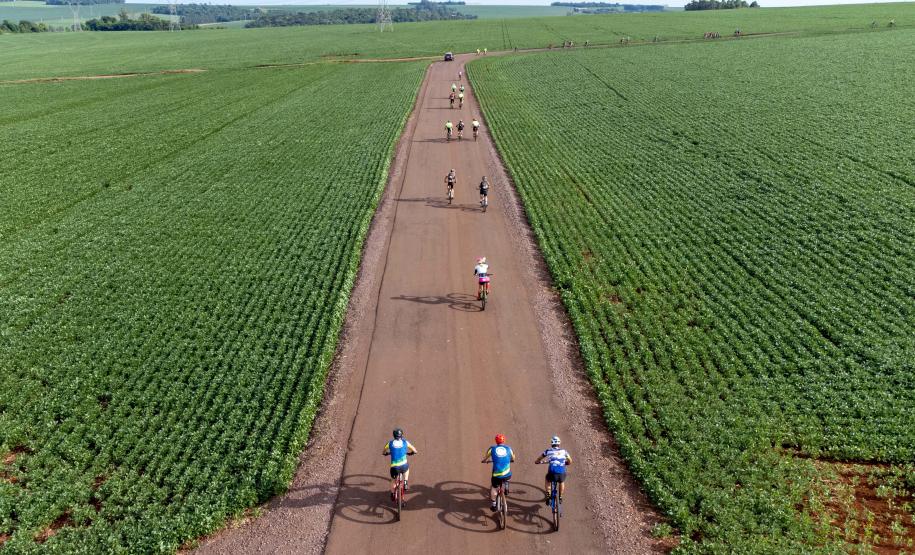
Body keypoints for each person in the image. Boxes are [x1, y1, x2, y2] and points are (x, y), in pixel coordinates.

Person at [535, 436, 572, 505]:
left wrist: (537, 461)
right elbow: (570, 460)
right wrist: (567, 463)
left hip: (552, 472)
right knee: (561, 481)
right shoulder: (564, 451)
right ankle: (560, 497)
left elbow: (540, 458)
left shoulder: (548, 451)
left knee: (547, 480)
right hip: (561, 473)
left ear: (551, 443)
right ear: (559, 443)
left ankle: (548, 497)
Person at [383, 428, 418, 501]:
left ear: (394, 435)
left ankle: (392, 494)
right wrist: (412, 453)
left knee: (393, 480)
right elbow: (415, 450)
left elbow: (384, 451)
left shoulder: (389, 443)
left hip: (394, 468)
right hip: (403, 466)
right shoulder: (405, 442)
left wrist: (386, 453)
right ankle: (405, 482)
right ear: (401, 435)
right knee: (407, 469)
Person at [481, 434, 514, 512]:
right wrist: (511, 460)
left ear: (496, 441)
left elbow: (486, 458)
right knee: (507, 476)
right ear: (504, 441)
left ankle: (494, 505)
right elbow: (513, 458)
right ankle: (506, 489)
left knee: (494, 488)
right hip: (507, 474)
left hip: (497, 475)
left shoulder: (492, 449)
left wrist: (484, 461)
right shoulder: (509, 448)